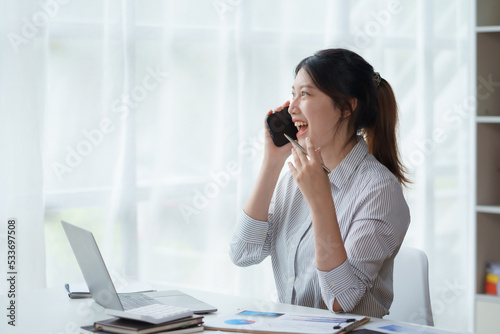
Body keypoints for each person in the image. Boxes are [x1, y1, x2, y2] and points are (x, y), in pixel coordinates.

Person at [229, 48, 411, 318]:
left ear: (347, 107)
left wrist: (320, 200)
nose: (291, 108)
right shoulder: (296, 176)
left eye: (305, 94)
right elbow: (243, 253)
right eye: (293, 94)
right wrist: (271, 162)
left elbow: (341, 299)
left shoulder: (380, 190)